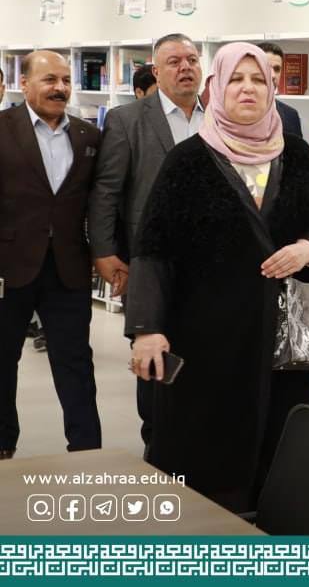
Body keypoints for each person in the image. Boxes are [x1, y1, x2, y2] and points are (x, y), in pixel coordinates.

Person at [125, 43, 309, 512]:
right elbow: (153, 249)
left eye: (258, 79)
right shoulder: (189, 159)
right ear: (217, 88)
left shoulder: (297, 154)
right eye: (236, 79)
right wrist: (146, 329)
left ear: (272, 88)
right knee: (205, 443)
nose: (248, 89)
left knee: (281, 436)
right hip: (207, 336)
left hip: (285, 336)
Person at [89, 32, 204, 446]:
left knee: (204, 358)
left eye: (192, 59)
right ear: (156, 71)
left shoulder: (219, 117)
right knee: (154, 355)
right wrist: (104, 252)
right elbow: (106, 191)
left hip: (211, 265)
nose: (185, 67)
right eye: (174, 61)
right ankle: (157, 446)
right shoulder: (127, 120)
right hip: (150, 262)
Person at [0, 50, 102, 459]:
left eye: (65, 80)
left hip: (68, 269)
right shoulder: (2, 129)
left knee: (75, 362)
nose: (60, 88)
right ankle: (3, 444)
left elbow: (98, 201)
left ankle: (87, 449)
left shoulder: (89, 135)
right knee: (2, 361)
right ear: (24, 84)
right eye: (49, 80)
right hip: (8, 268)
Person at [257, 43, 303, 139]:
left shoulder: (291, 115)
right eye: (267, 68)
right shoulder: (237, 111)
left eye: (277, 69)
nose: (273, 75)